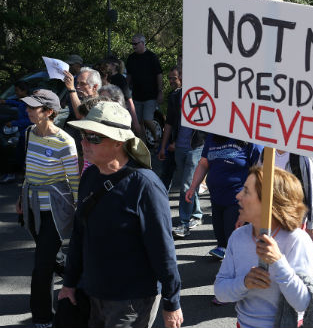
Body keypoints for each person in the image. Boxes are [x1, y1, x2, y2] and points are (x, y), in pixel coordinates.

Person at [59, 102, 183, 328]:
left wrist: (172, 302)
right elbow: (79, 234)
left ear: (118, 141)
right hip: (91, 291)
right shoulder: (89, 177)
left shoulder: (145, 185)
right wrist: (69, 283)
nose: (83, 142)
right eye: (83, 135)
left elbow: (163, 249)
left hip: (131, 300)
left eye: (94, 137)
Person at [214, 166, 313, 328]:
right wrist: (244, 283)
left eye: (246, 191)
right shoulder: (238, 237)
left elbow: (304, 304)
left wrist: (278, 262)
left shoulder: (297, 240)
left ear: (270, 202)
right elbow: (220, 292)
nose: (238, 196)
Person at [15, 89, 79, 328]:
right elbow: (28, 169)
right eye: (29, 107)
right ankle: (82, 282)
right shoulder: (29, 133)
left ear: (49, 112)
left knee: (41, 265)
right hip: (32, 203)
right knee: (51, 255)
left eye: (33, 108)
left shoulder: (65, 141)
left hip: (54, 207)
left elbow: (73, 180)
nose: (28, 110)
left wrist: (80, 209)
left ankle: (42, 317)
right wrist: (22, 196)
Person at [186, 134, 263, 260]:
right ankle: (225, 257)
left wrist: (252, 203)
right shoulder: (212, 137)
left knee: (234, 238)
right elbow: (204, 164)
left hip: (238, 199)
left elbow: (260, 171)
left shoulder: (251, 140)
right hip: (216, 197)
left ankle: (237, 270)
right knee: (221, 237)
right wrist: (193, 186)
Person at [156, 67, 206, 238]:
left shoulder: (202, 94)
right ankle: (197, 214)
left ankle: (184, 222)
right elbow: (169, 123)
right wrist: (163, 146)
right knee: (191, 183)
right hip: (179, 148)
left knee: (186, 184)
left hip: (196, 147)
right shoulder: (175, 96)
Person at [126, 33, 164, 141]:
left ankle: (157, 138)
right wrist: (125, 90)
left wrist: (160, 91)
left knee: (147, 119)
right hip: (136, 96)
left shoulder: (152, 57)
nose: (133, 46)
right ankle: (143, 145)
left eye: (136, 43)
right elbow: (129, 76)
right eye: (132, 44)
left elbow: (159, 74)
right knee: (137, 123)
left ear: (143, 43)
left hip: (150, 96)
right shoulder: (131, 58)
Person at [0, 80, 32, 183]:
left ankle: (20, 175)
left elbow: (30, 120)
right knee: (19, 155)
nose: (16, 93)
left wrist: (14, 123)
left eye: (17, 91)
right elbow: (17, 103)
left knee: (23, 156)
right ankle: (20, 174)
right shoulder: (23, 101)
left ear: (24, 91)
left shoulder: (30, 103)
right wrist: (5, 101)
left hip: (28, 134)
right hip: (23, 134)